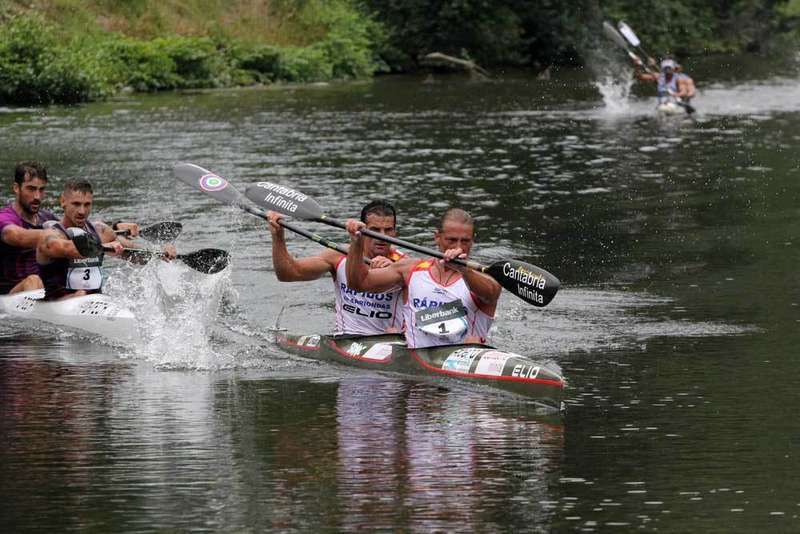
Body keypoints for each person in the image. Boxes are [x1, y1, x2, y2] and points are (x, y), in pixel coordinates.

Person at [345, 208, 501, 349]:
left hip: (463, 367)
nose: (458, 247)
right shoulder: (410, 270)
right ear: (437, 237)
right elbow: (358, 283)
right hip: (415, 371)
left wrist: (464, 270)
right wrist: (356, 242)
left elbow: (491, 294)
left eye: (465, 241)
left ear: (472, 241)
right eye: (451, 240)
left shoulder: (485, 277)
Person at [266, 199, 405, 336]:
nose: (382, 236)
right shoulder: (338, 256)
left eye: (388, 230)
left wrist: (395, 271)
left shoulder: (405, 265)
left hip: (390, 339)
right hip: (347, 338)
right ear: (362, 231)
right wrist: (278, 236)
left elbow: (424, 310)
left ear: (395, 232)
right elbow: (287, 274)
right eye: (375, 230)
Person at [36, 179, 174, 300]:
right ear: (63, 202)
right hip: (59, 302)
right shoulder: (51, 234)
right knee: (81, 293)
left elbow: (135, 255)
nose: (82, 211)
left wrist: (161, 253)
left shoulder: (100, 230)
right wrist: (104, 246)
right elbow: (69, 249)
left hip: (94, 300)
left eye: (87, 205)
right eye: (76, 204)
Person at [0, 162, 57, 294]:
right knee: (33, 280)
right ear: (16, 188)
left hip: (42, 290)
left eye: (41, 190)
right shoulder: (4, 218)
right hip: (8, 296)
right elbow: (16, 236)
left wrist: (114, 227)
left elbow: (73, 229)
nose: (37, 196)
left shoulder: (47, 218)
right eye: (31, 189)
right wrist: (54, 235)